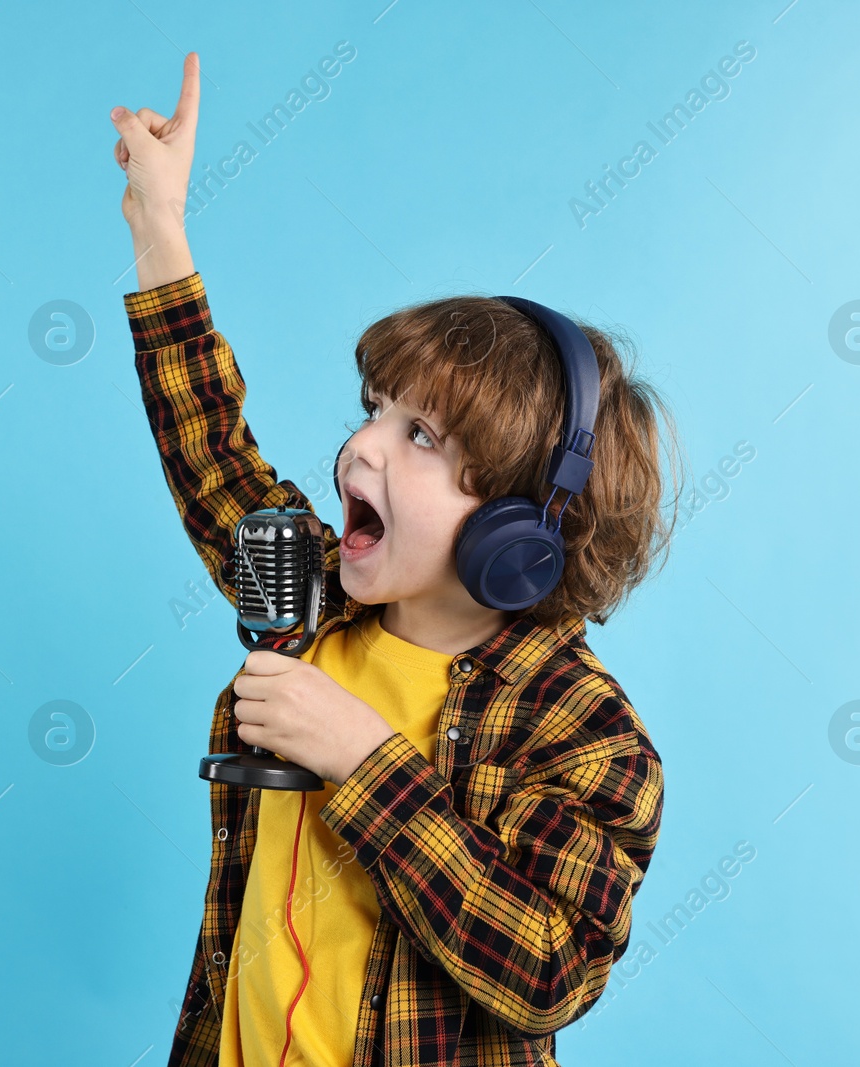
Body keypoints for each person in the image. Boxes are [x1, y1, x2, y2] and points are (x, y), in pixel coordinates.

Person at [111, 52, 678, 1067]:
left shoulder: (584, 731)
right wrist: (159, 224)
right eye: (374, 411)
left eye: (421, 436)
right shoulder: (312, 601)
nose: (360, 446)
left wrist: (364, 761)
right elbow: (209, 447)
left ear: (519, 531)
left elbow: (545, 967)